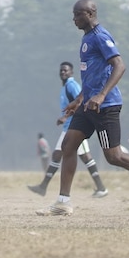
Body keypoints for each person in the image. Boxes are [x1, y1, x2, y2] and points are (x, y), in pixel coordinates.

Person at [37, 0, 129, 216]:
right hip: (88, 104)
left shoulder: (101, 36)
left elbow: (120, 65)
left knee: (114, 156)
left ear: (90, 14)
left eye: (77, 15)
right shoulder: (87, 38)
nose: (73, 19)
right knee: (68, 145)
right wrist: (79, 99)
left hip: (106, 106)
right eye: (73, 15)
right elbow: (92, 76)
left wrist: (101, 95)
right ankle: (63, 202)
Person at [28, 62, 108, 198]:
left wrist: (65, 117)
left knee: (84, 157)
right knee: (60, 155)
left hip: (76, 127)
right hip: (69, 127)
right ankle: (43, 186)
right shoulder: (65, 86)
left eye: (65, 70)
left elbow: (81, 102)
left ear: (71, 72)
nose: (63, 72)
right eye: (61, 70)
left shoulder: (72, 85)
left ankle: (101, 188)